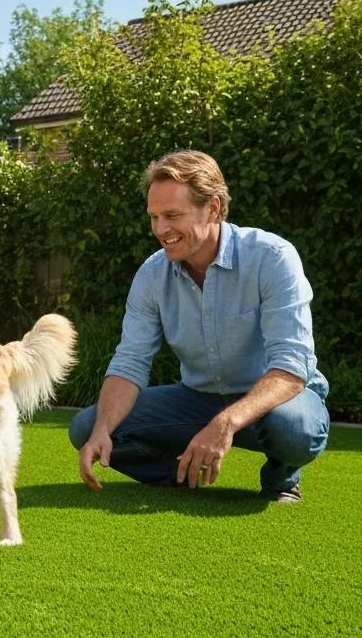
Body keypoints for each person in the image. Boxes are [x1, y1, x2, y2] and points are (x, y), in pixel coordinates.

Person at [69, 149, 329, 503]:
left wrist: (223, 425)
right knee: (87, 427)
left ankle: (281, 477)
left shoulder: (272, 257)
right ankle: (179, 475)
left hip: (274, 403)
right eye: (154, 217)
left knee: (295, 428)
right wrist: (103, 429)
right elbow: (130, 362)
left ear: (214, 207)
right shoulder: (151, 274)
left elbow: (292, 367)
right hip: (197, 399)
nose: (161, 230)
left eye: (173, 215)